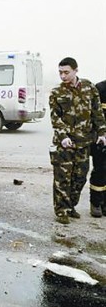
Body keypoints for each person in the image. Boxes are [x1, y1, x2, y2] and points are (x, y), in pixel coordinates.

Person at [49, 57, 106, 224]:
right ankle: (62, 211)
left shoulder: (89, 88)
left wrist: (102, 133)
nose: (63, 76)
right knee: (62, 179)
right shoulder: (56, 92)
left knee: (80, 178)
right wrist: (63, 136)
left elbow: (97, 113)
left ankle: (71, 206)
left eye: (66, 72)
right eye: (60, 73)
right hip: (64, 144)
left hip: (84, 143)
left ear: (75, 70)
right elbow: (55, 118)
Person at [89, 79, 106, 217]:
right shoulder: (100, 88)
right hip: (101, 139)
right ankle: (96, 203)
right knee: (100, 170)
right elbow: (92, 115)